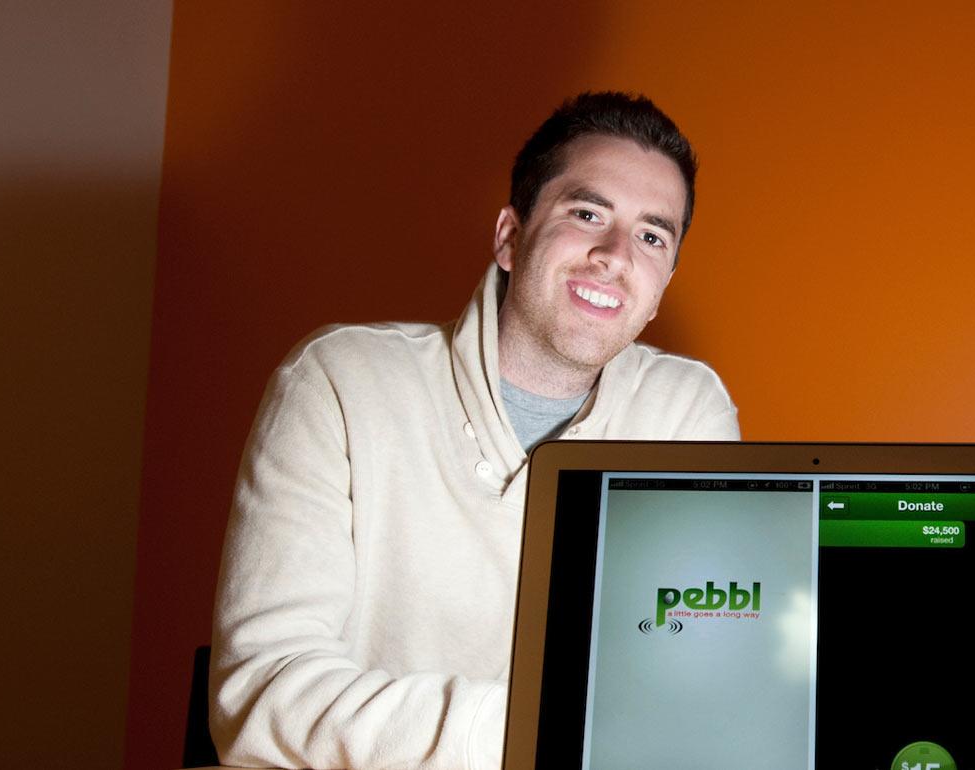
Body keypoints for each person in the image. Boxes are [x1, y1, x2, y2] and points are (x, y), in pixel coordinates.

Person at [209, 91, 740, 769]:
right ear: (511, 237)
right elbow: (264, 695)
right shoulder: (341, 382)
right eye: (587, 213)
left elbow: (699, 682)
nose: (615, 254)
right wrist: (541, 735)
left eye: (651, 235)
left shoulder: (687, 411)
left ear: (663, 279)